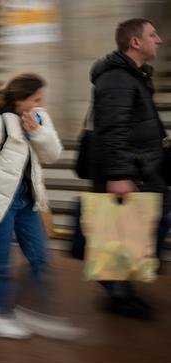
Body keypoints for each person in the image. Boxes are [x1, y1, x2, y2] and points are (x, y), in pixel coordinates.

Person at [0, 74, 81, 340]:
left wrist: (37, 133)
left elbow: (53, 155)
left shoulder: (39, 118)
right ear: (20, 100)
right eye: (36, 99)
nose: (41, 104)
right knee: (3, 264)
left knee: (41, 257)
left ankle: (37, 311)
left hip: (28, 202)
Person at [89, 19, 166, 318]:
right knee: (122, 232)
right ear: (135, 42)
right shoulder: (118, 79)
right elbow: (112, 129)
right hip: (129, 170)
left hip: (143, 167)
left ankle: (121, 291)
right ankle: (119, 295)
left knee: (131, 231)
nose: (158, 40)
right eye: (152, 35)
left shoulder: (133, 75)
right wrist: (119, 174)